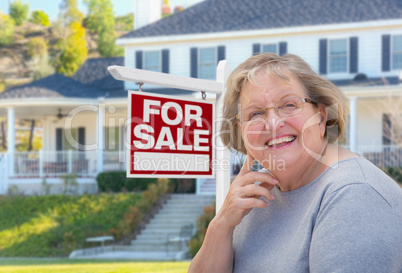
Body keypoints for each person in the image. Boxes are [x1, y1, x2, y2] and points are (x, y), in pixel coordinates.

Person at [188, 53, 402, 273]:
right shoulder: (253, 196)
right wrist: (221, 224)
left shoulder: (354, 194)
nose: (273, 123)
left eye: (289, 105)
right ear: (241, 131)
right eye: (255, 114)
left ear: (320, 116)